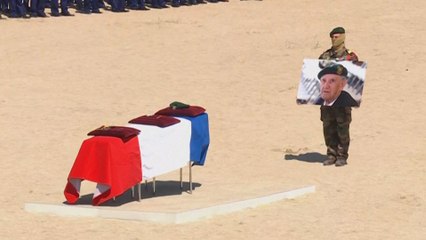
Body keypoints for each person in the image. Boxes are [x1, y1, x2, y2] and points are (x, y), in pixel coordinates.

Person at [318, 27, 359, 167]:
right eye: (332, 37)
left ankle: (342, 156)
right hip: (327, 99)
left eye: (337, 37)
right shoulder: (325, 56)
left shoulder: (350, 57)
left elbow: (354, 77)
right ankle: (331, 154)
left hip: (342, 100)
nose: (334, 39)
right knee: (328, 127)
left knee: (342, 127)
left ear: (343, 37)